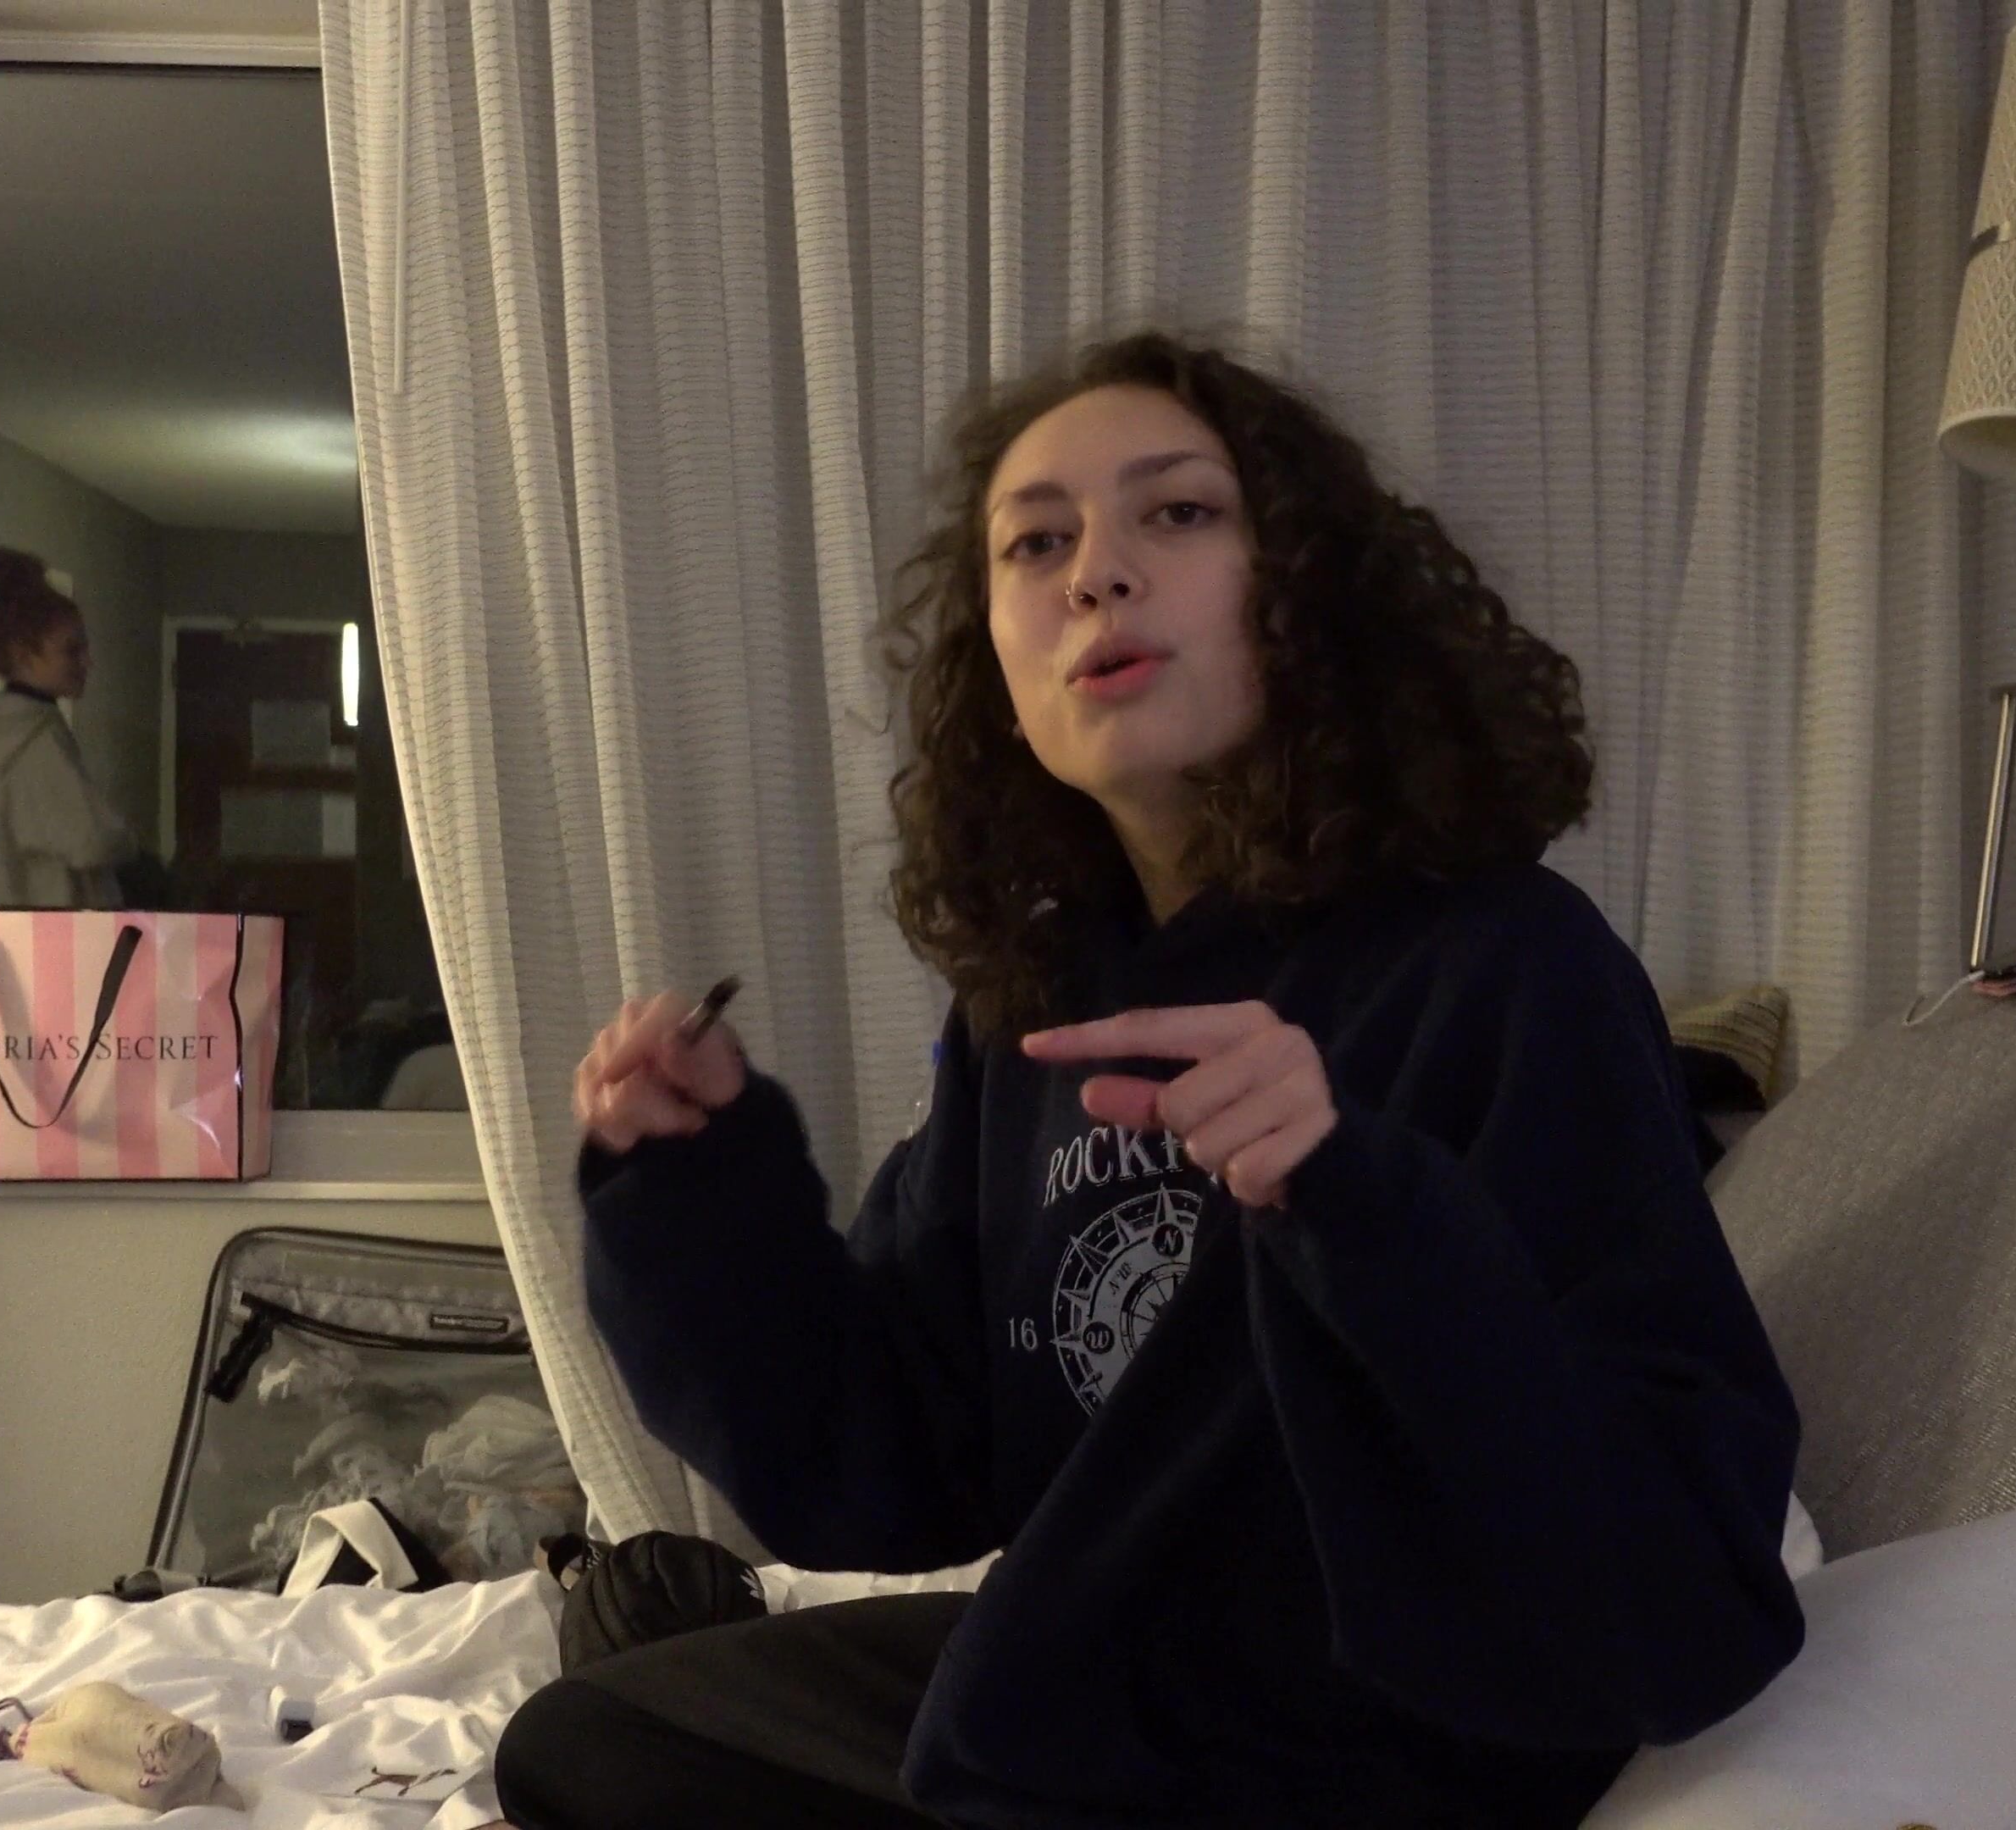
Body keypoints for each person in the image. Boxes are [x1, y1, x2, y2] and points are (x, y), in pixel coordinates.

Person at [497, 332, 1805, 1830]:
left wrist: (1357, 1198)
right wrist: (695, 1194)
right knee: (589, 1747)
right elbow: (885, 1465)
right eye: (1036, 543)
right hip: (1099, 1713)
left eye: (1177, 513)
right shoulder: (1035, 1015)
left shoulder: (1511, 964)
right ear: (997, 668)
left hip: (1384, 1751)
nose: (1097, 576)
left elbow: (1674, 1595)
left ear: (1307, 593)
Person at [0, 546, 136, 909]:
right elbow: (89, 840)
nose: (87, 661)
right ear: (22, 652)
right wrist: (127, 841)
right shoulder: (35, 737)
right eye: (71, 650)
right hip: (56, 928)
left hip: (12, 923)